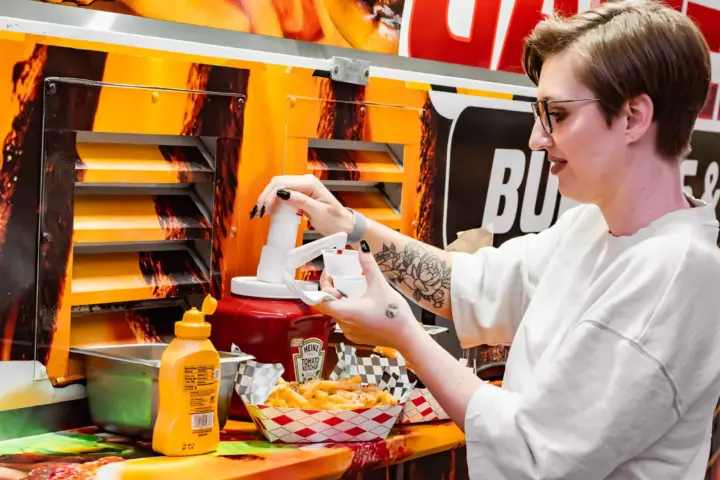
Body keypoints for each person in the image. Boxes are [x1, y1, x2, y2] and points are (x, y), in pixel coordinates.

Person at [253, 1, 720, 478]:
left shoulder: (674, 275)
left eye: (556, 114)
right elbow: (469, 283)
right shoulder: (593, 228)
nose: (538, 139)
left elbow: (533, 457)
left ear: (633, 117)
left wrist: (402, 332)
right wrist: (348, 224)